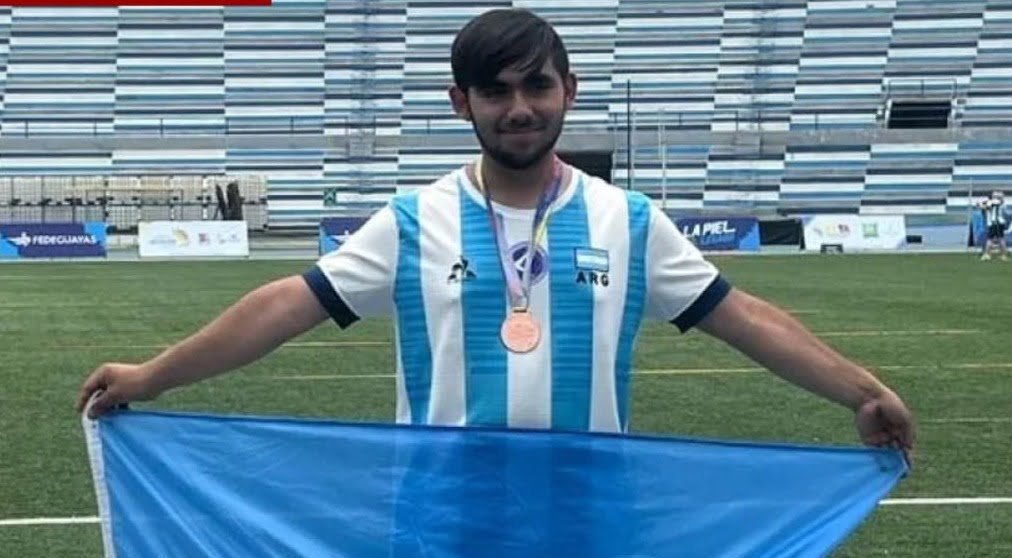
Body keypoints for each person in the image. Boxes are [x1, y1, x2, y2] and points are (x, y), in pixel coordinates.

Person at [76, 8, 914, 458]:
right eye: (496, 90)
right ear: (461, 102)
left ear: (569, 90)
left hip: (588, 521)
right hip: (442, 523)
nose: (520, 107)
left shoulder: (629, 220)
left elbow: (749, 319)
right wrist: (153, 376)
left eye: (537, 86)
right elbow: (278, 310)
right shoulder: (412, 221)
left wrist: (862, 389)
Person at [979, 190, 1009, 261]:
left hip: (994, 223)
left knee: (990, 239)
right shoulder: (1002, 203)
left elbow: (986, 207)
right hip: (1000, 222)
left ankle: (987, 254)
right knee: (1001, 238)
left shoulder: (993, 202)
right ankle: (1003, 255)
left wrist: (980, 204)